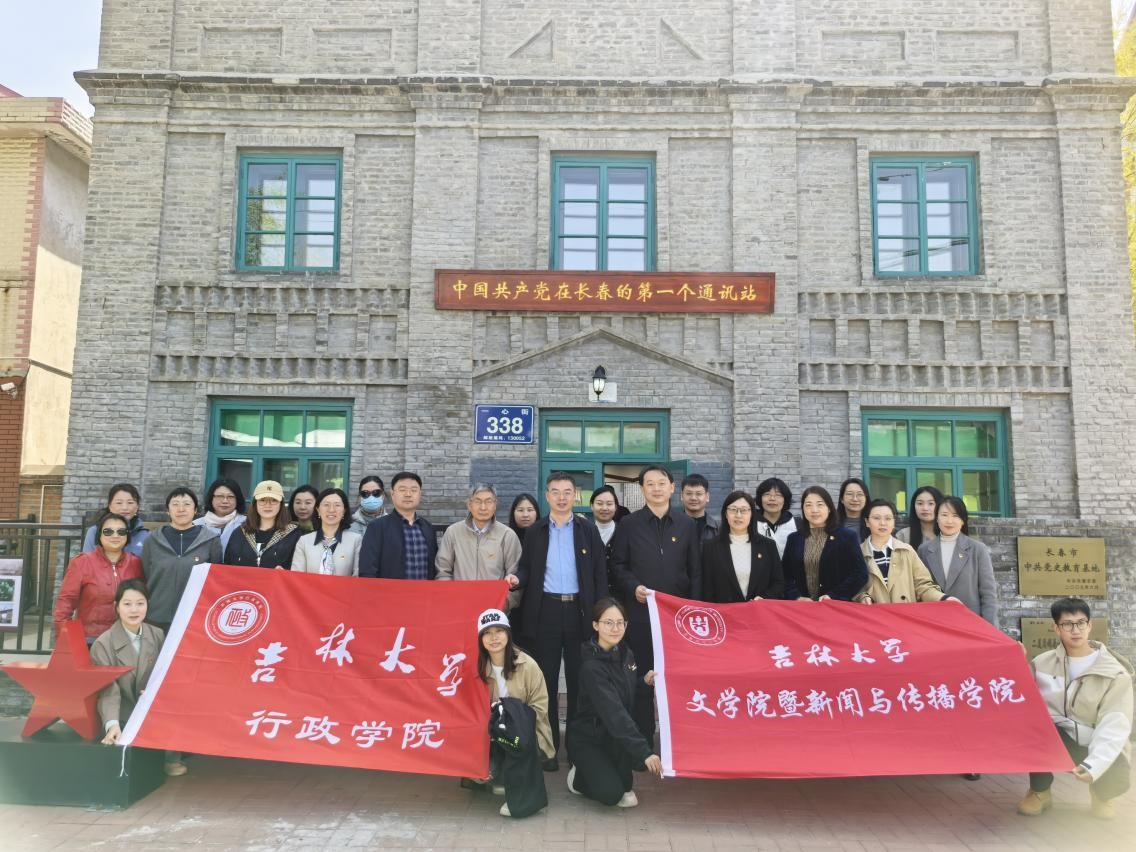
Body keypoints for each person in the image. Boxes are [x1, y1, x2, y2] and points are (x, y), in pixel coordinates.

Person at [514, 471, 608, 769]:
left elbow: (599, 574)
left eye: (567, 492)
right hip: (547, 612)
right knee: (546, 683)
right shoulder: (536, 531)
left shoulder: (587, 530)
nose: (562, 497)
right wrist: (516, 579)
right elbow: (527, 568)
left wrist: (601, 616)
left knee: (581, 682)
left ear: (575, 496)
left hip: (580, 612)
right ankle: (549, 747)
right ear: (547, 496)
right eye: (555, 492)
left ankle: (578, 751)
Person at [1018, 597, 1133, 820]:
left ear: (1090, 626)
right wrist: (1016, 661)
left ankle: (1101, 795)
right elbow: (1022, 698)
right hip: (1058, 737)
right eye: (1068, 624)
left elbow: (1114, 724)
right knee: (1035, 729)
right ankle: (1040, 791)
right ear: (1056, 628)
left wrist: (1094, 765)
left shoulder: (1115, 673)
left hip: (1095, 739)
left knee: (1117, 778)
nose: (1076, 630)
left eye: (1081, 623)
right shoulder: (1041, 664)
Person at [609, 464, 700, 744]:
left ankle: (682, 741)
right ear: (642, 489)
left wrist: (692, 611)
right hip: (640, 616)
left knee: (679, 680)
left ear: (672, 488)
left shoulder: (686, 525)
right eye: (650, 484)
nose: (656, 488)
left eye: (661, 483)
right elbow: (618, 565)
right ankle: (644, 742)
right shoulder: (629, 524)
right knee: (642, 679)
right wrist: (632, 586)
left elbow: (695, 571)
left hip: (677, 619)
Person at [566, 598, 663, 808]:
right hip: (588, 738)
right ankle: (577, 778)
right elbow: (614, 711)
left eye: (620, 623)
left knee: (626, 792)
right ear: (595, 625)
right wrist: (644, 752)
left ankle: (605, 768)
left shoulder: (627, 654)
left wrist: (643, 683)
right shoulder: (591, 668)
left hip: (612, 736)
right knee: (611, 795)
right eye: (608, 623)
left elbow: (624, 691)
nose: (615, 628)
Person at [91, 578, 185, 776]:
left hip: (152, 708)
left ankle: (170, 757)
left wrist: (155, 693)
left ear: (147, 605)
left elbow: (165, 674)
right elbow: (109, 691)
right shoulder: (103, 644)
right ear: (117, 607)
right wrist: (112, 724)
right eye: (127, 604)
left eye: (140, 603)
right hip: (125, 711)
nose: (134, 610)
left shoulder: (157, 634)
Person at [476, 608, 554, 818]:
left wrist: (513, 719)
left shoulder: (527, 665)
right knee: (481, 770)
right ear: (480, 639)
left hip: (524, 732)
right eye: (487, 633)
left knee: (518, 742)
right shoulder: (477, 667)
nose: (494, 638)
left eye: (499, 631)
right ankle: (497, 774)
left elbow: (540, 708)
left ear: (508, 634)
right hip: (492, 732)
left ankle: (522, 795)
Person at [55, 511, 144, 642]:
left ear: (127, 536)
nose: (115, 535)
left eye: (121, 532)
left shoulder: (136, 563)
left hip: (127, 638)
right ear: (99, 536)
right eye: (108, 531)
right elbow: (65, 603)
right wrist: (66, 639)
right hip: (90, 638)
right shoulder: (82, 563)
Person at [142, 487, 221, 633]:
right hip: (157, 616)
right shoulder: (152, 540)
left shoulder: (211, 540)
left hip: (196, 617)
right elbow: (146, 575)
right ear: (168, 510)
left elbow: (215, 580)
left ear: (195, 510)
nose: (181, 509)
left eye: (187, 504)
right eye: (175, 504)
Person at [435, 484, 522, 608]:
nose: (483, 507)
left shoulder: (507, 535)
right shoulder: (453, 532)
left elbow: (515, 577)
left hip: (494, 610)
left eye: (488, 501)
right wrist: (451, 599)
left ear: (495, 505)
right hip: (459, 606)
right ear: (469, 505)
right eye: (478, 501)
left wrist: (503, 605)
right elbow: (443, 571)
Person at [917, 495, 997, 625]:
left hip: (969, 622)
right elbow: (920, 589)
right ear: (937, 518)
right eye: (944, 515)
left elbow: (988, 593)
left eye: (955, 516)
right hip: (934, 622)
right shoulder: (924, 550)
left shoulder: (977, 549)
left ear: (963, 520)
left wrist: (990, 628)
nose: (949, 521)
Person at [855, 499, 949, 604]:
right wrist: (862, 597)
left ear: (894, 522)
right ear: (867, 522)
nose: (882, 523)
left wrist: (943, 598)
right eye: (876, 518)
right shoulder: (858, 553)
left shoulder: (907, 551)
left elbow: (923, 585)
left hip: (904, 612)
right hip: (875, 613)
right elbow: (856, 588)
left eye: (888, 518)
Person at [782, 486, 867, 601]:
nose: (814, 510)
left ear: (829, 508)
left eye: (820, 504)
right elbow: (785, 575)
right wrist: (796, 596)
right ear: (803, 509)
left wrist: (833, 595)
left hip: (834, 605)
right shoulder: (794, 539)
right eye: (808, 505)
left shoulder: (847, 537)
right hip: (802, 607)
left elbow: (860, 573)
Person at [702, 491, 784, 603]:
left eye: (744, 510)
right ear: (725, 514)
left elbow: (778, 583)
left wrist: (764, 598)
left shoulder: (768, 546)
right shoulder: (710, 547)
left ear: (752, 514)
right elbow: (707, 589)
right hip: (725, 611)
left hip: (758, 611)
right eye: (733, 510)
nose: (738, 515)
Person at [357, 472, 437, 579]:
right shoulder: (377, 527)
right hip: (388, 590)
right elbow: (367, 570)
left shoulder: (428, 528)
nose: (408, 494)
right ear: (392, 494)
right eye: (402, 490)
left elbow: (434, 569)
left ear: (420, 494)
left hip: (424, 589)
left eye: (414, 490)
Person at [223, 480, 301, 569]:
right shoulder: (239, 533)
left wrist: (285, 573)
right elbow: (227, 568)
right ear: (255, 503)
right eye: (262, 500)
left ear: (281, 504)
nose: (268, 505)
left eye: (274, 500)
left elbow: (300, 571)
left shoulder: (294, 535)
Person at [291, 487, 362, 576]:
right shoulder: (304, 541)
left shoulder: (355, 540)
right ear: (318, 510)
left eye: (337, 505)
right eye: (326, 505)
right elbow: (296, 577)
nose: (331, 510)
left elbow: (358, 577)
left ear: (344, 511)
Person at [80, 483, 150, 557]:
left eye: (130, 502)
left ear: (137, 507)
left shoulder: (145, 536)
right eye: (119, 503)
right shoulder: (95, 532)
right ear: (110, 506)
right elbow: (86, 561)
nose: (125, 507)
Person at [193, 478, 246, 552]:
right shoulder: (196, 525)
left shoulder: (247, 524)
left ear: (238, 499)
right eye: (220, 496)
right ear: (211, 498)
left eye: (230, 497)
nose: (225, 501)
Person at [754, 477, 798, 558]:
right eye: (767, 494)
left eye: (778, 495)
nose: (772, 499)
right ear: (760, 498)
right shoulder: (750, 522)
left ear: (785, 499)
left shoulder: (797, 524)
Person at [895, 485, 943, 550]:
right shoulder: (903, 535)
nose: (925, 508)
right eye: (920, 503)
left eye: (931, 504)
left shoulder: (949, 534)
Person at [680, 473, 718, 543]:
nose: (693, 498)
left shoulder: (717, 529)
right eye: (689, 493)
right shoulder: (671, 526)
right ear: (682, 496)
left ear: (707, 497)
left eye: (699, 494)